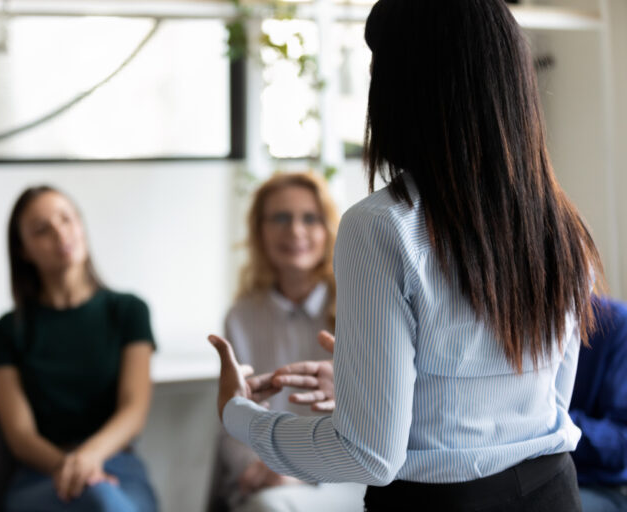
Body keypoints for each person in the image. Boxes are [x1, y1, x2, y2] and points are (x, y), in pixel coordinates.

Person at [208, 0, 604, 510]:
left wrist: (238, 412)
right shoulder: (562, 225)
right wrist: (368, 391)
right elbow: (538, 405)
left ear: (407, 89)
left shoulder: (383, 227)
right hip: (553, 492)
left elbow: (368, 456)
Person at [0, 186, 158, 512]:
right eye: (41, 229)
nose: (60, 233)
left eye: (67, 219)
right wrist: (71, 466)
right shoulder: (5, 332)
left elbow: (134, 410)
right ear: (23, 250)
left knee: (108, 501)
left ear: (81, 225)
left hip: (118, 464)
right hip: (41, 473)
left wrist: (89, 457)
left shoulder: (129, 311)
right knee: (100, 500)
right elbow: (20, 435)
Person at [206, 172, 365, 512]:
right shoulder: (241, 316)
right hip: (266, 478)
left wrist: (301, 474)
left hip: (346, 478)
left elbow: (375, 421)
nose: (295, 231)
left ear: (328, 229)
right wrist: (258, 468)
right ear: (259, 231)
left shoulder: (361, 305)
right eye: (280, 218)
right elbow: (232, 414)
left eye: (310, 218)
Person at [570, 296, 627, 512]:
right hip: (539, 478)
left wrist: (554, 424)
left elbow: (621, 442)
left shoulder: (617, 325)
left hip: (601, 485)